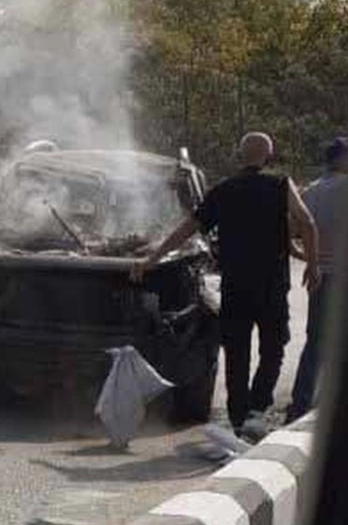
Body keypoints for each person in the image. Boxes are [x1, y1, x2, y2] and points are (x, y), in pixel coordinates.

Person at [131, 132, 318, 438]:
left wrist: (152, 258)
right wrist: (311, 264)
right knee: (274, 347)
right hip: (272, 286)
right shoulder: (281, 184)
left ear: (239, 156)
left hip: (235, 287)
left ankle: (238, 417)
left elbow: (187, 229)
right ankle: (258, 408)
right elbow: (307, 222)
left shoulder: (223, 191)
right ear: (268, 156)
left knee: (236, 352)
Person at [285, 136, 348, 423]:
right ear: (343, 159)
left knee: (315, 342)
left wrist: (307, 259)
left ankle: (300, 407)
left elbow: (288, 235)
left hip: (320, 277)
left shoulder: (309, 191)